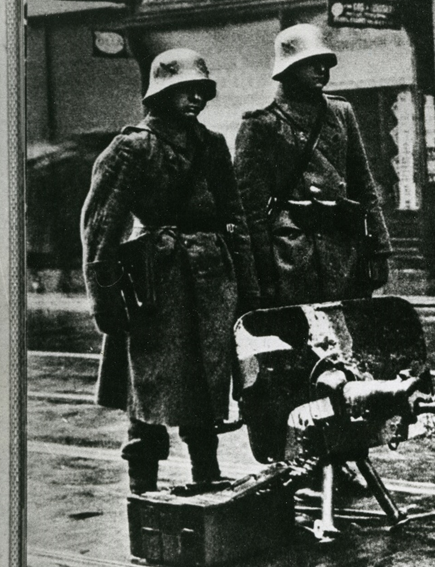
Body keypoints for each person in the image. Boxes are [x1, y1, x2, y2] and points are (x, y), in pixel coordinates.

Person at [81, 49, 260, 494]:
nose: (196, 98)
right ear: (161, 94)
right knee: (148, 390)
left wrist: (250, 290)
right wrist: (104, 303)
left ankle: (208, 478)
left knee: (205, 386)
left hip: (212, 281)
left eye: (202, 90)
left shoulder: (212, 144)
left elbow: (234, 217)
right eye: (185, 90)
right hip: (155, 286)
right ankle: (143, 486)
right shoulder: (133, 147)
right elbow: (101, 229)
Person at [234, 24, 391, 308]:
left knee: (346, 340)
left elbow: (363, 184)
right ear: (288, 69)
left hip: (342, 249)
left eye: (324, 63)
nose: (321, 70)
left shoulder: (341, 112)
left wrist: (378, 250)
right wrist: (261, 274)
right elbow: (250, 210)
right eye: (310, 64)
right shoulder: (262, 123)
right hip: (290, 256)